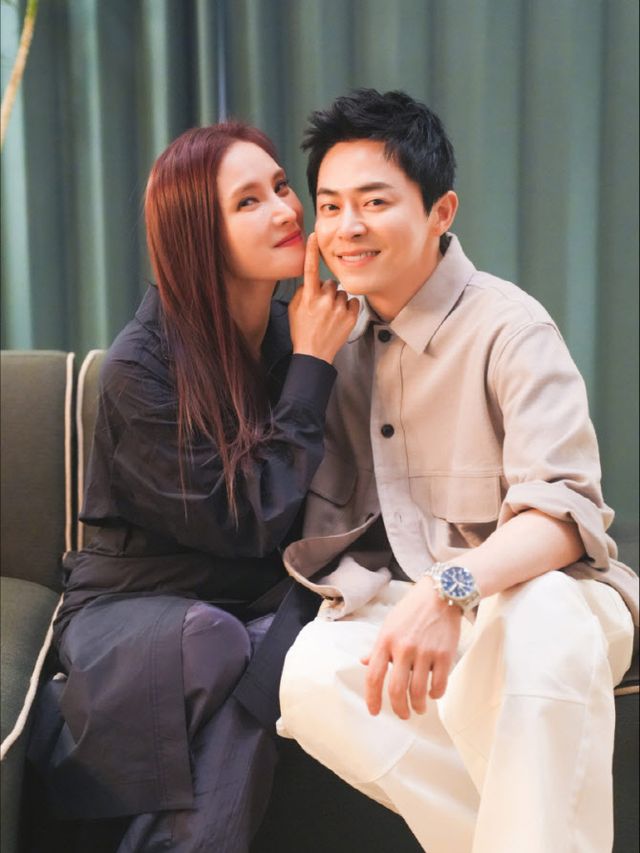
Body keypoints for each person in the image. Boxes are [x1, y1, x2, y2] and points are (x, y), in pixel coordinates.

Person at [276, 89, 639, 853]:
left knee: (534, 623)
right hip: (404, 598)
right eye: (330, 206)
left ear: (441, 211)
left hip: (542, 595)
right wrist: (309, 359)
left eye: (374, 202)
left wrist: (451, 588)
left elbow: (562, 517)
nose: (346, 226)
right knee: (308, 678)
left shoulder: (511, 328)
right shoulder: (333, 343)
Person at [27, 121, 358, 853]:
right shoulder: (139, 368)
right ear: (197, 236)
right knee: (217, 641)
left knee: (271, 652)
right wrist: (311, 369)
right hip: (133, 603)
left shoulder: (299, 333)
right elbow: (247, 521)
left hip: (254, 601)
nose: (286, 210)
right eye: (248, 202)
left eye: (280, 186)